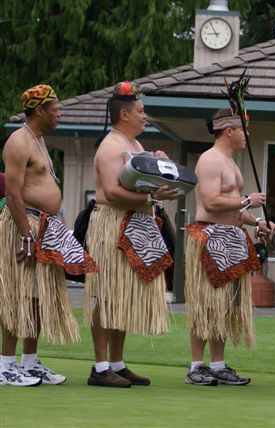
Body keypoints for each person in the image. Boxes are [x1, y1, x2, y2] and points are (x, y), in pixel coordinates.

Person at [85, 81, 180, 388]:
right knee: (108, 294)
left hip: (134, 224)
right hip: (113, 223)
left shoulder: (135, 146)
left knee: (122, 294)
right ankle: (100, 367)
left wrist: (160, 164)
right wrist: (153, 199)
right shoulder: (111, 145)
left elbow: (142, 181)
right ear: (124, 114)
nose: (145, 116)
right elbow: (113, 192)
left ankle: (117, 363)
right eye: (140, 111)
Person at [184, 77, 275, 386]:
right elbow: (211, 203)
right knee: (205, 303)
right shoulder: (210, 160)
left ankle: (218, 364)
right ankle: (197, 366)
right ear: (229, 130)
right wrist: (248, 200)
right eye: (244, 129)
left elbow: (234, 207)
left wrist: (256, 221)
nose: (247, 134)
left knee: (224, 304)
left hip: (232, 236)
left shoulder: (231, 163)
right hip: (209, 236)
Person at [1, 85, 95, 386]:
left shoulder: (39, 140)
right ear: (40, 110)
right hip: (23, 225)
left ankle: (29, 362)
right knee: (17, 295)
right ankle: (5, 364)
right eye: (56, 109)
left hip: (45, 226)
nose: (59, 114)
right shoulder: (18, 142)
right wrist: (26, 235)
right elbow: (13, 193)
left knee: (37, 297)